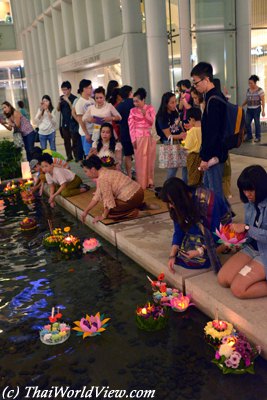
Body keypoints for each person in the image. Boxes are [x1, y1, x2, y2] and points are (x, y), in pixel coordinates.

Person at [161, 177, 231, 272]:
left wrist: (200, 251)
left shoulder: (208, 202)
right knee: (185, 253)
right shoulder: (181, 203)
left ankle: (225, 245)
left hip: (218, 228)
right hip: (200, 226)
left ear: (179, 198)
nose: (170, 206)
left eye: (171, 202)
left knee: (198, 260)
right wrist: (172, 255)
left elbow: (215, 230)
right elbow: (178, 230)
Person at [218, 165, 267, 299]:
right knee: (223, 279)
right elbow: (248, 231)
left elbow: (249, 228)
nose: (247, 194)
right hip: (253, 247)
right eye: (244, 190)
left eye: (251, 190)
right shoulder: (249, 202)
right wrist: (233, 239)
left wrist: (247, 228)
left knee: (238, 289)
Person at [191, 62, 228, 200]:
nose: (195, 86)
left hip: (214, 154)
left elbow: (212, 132)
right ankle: (218, 215)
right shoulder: (212, 96)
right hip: (216, 152)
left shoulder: (213, 99)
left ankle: (222, 218)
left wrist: (205, 158)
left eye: (196, 82)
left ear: (206, 79)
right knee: (208, 188)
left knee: (214, 191)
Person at [81, 155, 144, 222]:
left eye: (86, 171)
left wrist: (103, 216)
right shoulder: (105, 171)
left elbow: (108, 200)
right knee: (108, 207)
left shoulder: (102, 179)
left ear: (93, 170)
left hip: (132, 198)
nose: (86, 174)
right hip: (140, 193)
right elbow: (97, 196)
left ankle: (133, 213)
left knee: (109, 211)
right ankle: (137, 206)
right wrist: (85, 211)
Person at [128, 88, 156, 190]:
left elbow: (152, 122)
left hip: (149, 136)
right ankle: (141, 182)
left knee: (150, 160)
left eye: (137, 101)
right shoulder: (132, 111)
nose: (135, 103)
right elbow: (131, 126)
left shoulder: (150, 108)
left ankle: (150, 181)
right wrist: (133, 139)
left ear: (143, 99)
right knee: (140, 161)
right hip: (138, 137)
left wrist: (146, 115)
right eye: (134, 101)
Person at [156, 92, 187, 181]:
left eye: (175, 101)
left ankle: (186, 187)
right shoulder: (161, 117)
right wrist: (181, 135)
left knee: (186, 165)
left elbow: (179, 124)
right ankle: (167, 189)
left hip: (181, 141)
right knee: (173, 168)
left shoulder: (175, 111)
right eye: (172, 102)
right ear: (166, 104)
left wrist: (184, 133)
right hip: (170, 143)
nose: (174, 104)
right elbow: (168, 135)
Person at [57, 81, 82, 162]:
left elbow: (74, 110)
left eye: (65, 89)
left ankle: (76, 156)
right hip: (64, 123)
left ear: (70, 89)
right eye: (62, 90)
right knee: (66, 141)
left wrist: (68, 101)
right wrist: (58, 103)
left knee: (75, 141)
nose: (64, 91)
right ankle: (69, 156)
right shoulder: (61, 98)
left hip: (73, 123)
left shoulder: (74, 98)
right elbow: (58, 110)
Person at [116, 85, 135, 178]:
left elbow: (116, 121)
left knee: (127, 156)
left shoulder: (119, 106)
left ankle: (129, 175)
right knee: (138, 155)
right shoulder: (135, 103)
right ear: (130, 93)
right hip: (136, 133)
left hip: (125, 133)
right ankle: (141, 174)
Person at [183, 107, 203, 186]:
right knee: (201, 177)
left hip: (193, 156)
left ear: (192, 119)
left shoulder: (192, 131)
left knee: (193, 178)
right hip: (203, 156)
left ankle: (192, 194)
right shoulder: (204, 128)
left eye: (189, 120)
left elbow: (187, 146)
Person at [242, 75, 265, 143]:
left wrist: (263, 110)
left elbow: (263, 100)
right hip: (249, 109)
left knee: (257, 123)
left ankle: (258, 137)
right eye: (249, 83)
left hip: (256, 109)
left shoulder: (260, 90)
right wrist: (242, 105)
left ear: (255, 83)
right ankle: (249, 135)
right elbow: (247, 99)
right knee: (247, 122)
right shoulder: (248, 90)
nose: (250, 84)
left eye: (251, 83)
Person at [75, 79, 95, 157]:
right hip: (86, 132)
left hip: (94, 131)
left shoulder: (92, 100)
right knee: (88, 154)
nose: (92, 89)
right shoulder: (79, 102)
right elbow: (80, 119)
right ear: (84, 89)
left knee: (96, 153)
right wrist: (86, 134)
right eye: (90, 87)